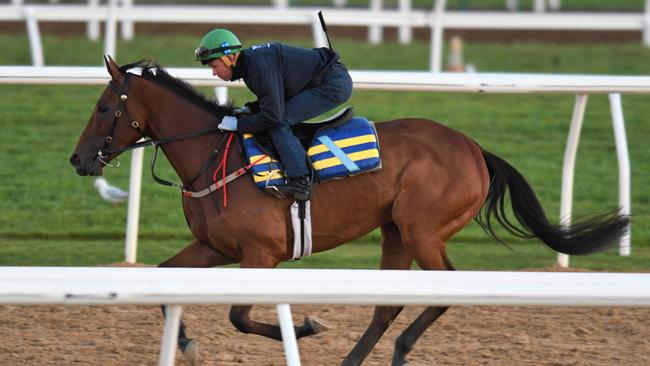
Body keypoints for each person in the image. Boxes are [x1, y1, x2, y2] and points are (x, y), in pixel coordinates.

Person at [194, 28, 353, 201]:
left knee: (279, 123)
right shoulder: (251, 64)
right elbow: (271, 99)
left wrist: (239, 125)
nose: (214, 73)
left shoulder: (257, 68)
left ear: (230, 58)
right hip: (320, 79)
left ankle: (301, 181)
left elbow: (273, 116)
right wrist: (249, 111)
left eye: (215, 66)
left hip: (332, 84)